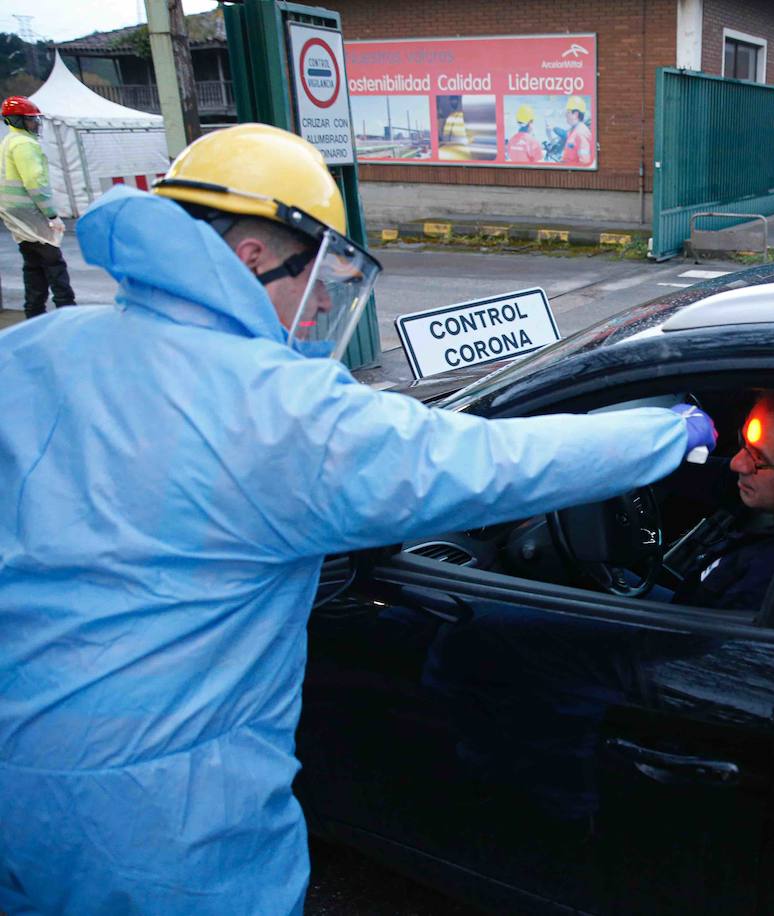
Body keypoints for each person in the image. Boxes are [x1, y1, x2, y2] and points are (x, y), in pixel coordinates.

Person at [0, 122, 716, 915]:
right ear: (253, 257)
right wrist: (663, 433)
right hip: (161, 815)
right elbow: (490, 464)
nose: (314, 311)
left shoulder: (39, 348)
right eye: (316, 276)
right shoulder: (278, 408)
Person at [670, 386, 774, 611]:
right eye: (744, 445)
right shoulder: (770, 488)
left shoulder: (770, 581)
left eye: (758, 457)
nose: (737, 463)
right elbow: (698, 476)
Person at [0, 95, 75, 319]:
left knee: (32, 265)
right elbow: (35, 183)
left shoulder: (7, 142)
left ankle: (34, 314)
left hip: (14, 214)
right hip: (31, 212)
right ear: (17, 120)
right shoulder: (25, 144)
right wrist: (51, 214)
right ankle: (67, 312)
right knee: (54, 263)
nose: (35, 124)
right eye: (31, 120)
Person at [562, 95, 594, 167]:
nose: (565, 115)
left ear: (576, 114)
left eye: (568, 112)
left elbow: (584, 162)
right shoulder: (573, 130)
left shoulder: (580, 133)